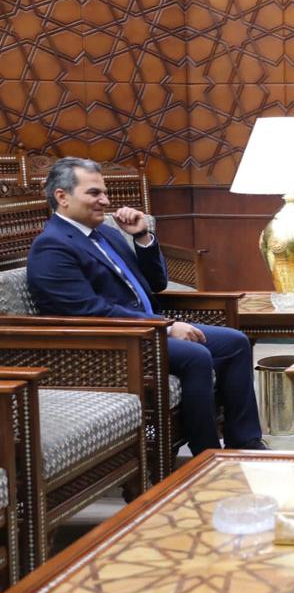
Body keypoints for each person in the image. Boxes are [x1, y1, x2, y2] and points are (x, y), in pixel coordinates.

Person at [27, 157, 264, 457]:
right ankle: (207, 454)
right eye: (94, 193)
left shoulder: (107, 233)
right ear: (62, 197)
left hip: (147, 328)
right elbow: (89, 310)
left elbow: (156, 282)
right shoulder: (52, 246)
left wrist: (142, 236)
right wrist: (165, 328)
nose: (105, 201)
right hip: (110, 342)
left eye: (104, 193)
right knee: (196, 356)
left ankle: (245, 442)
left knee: (235, 342)